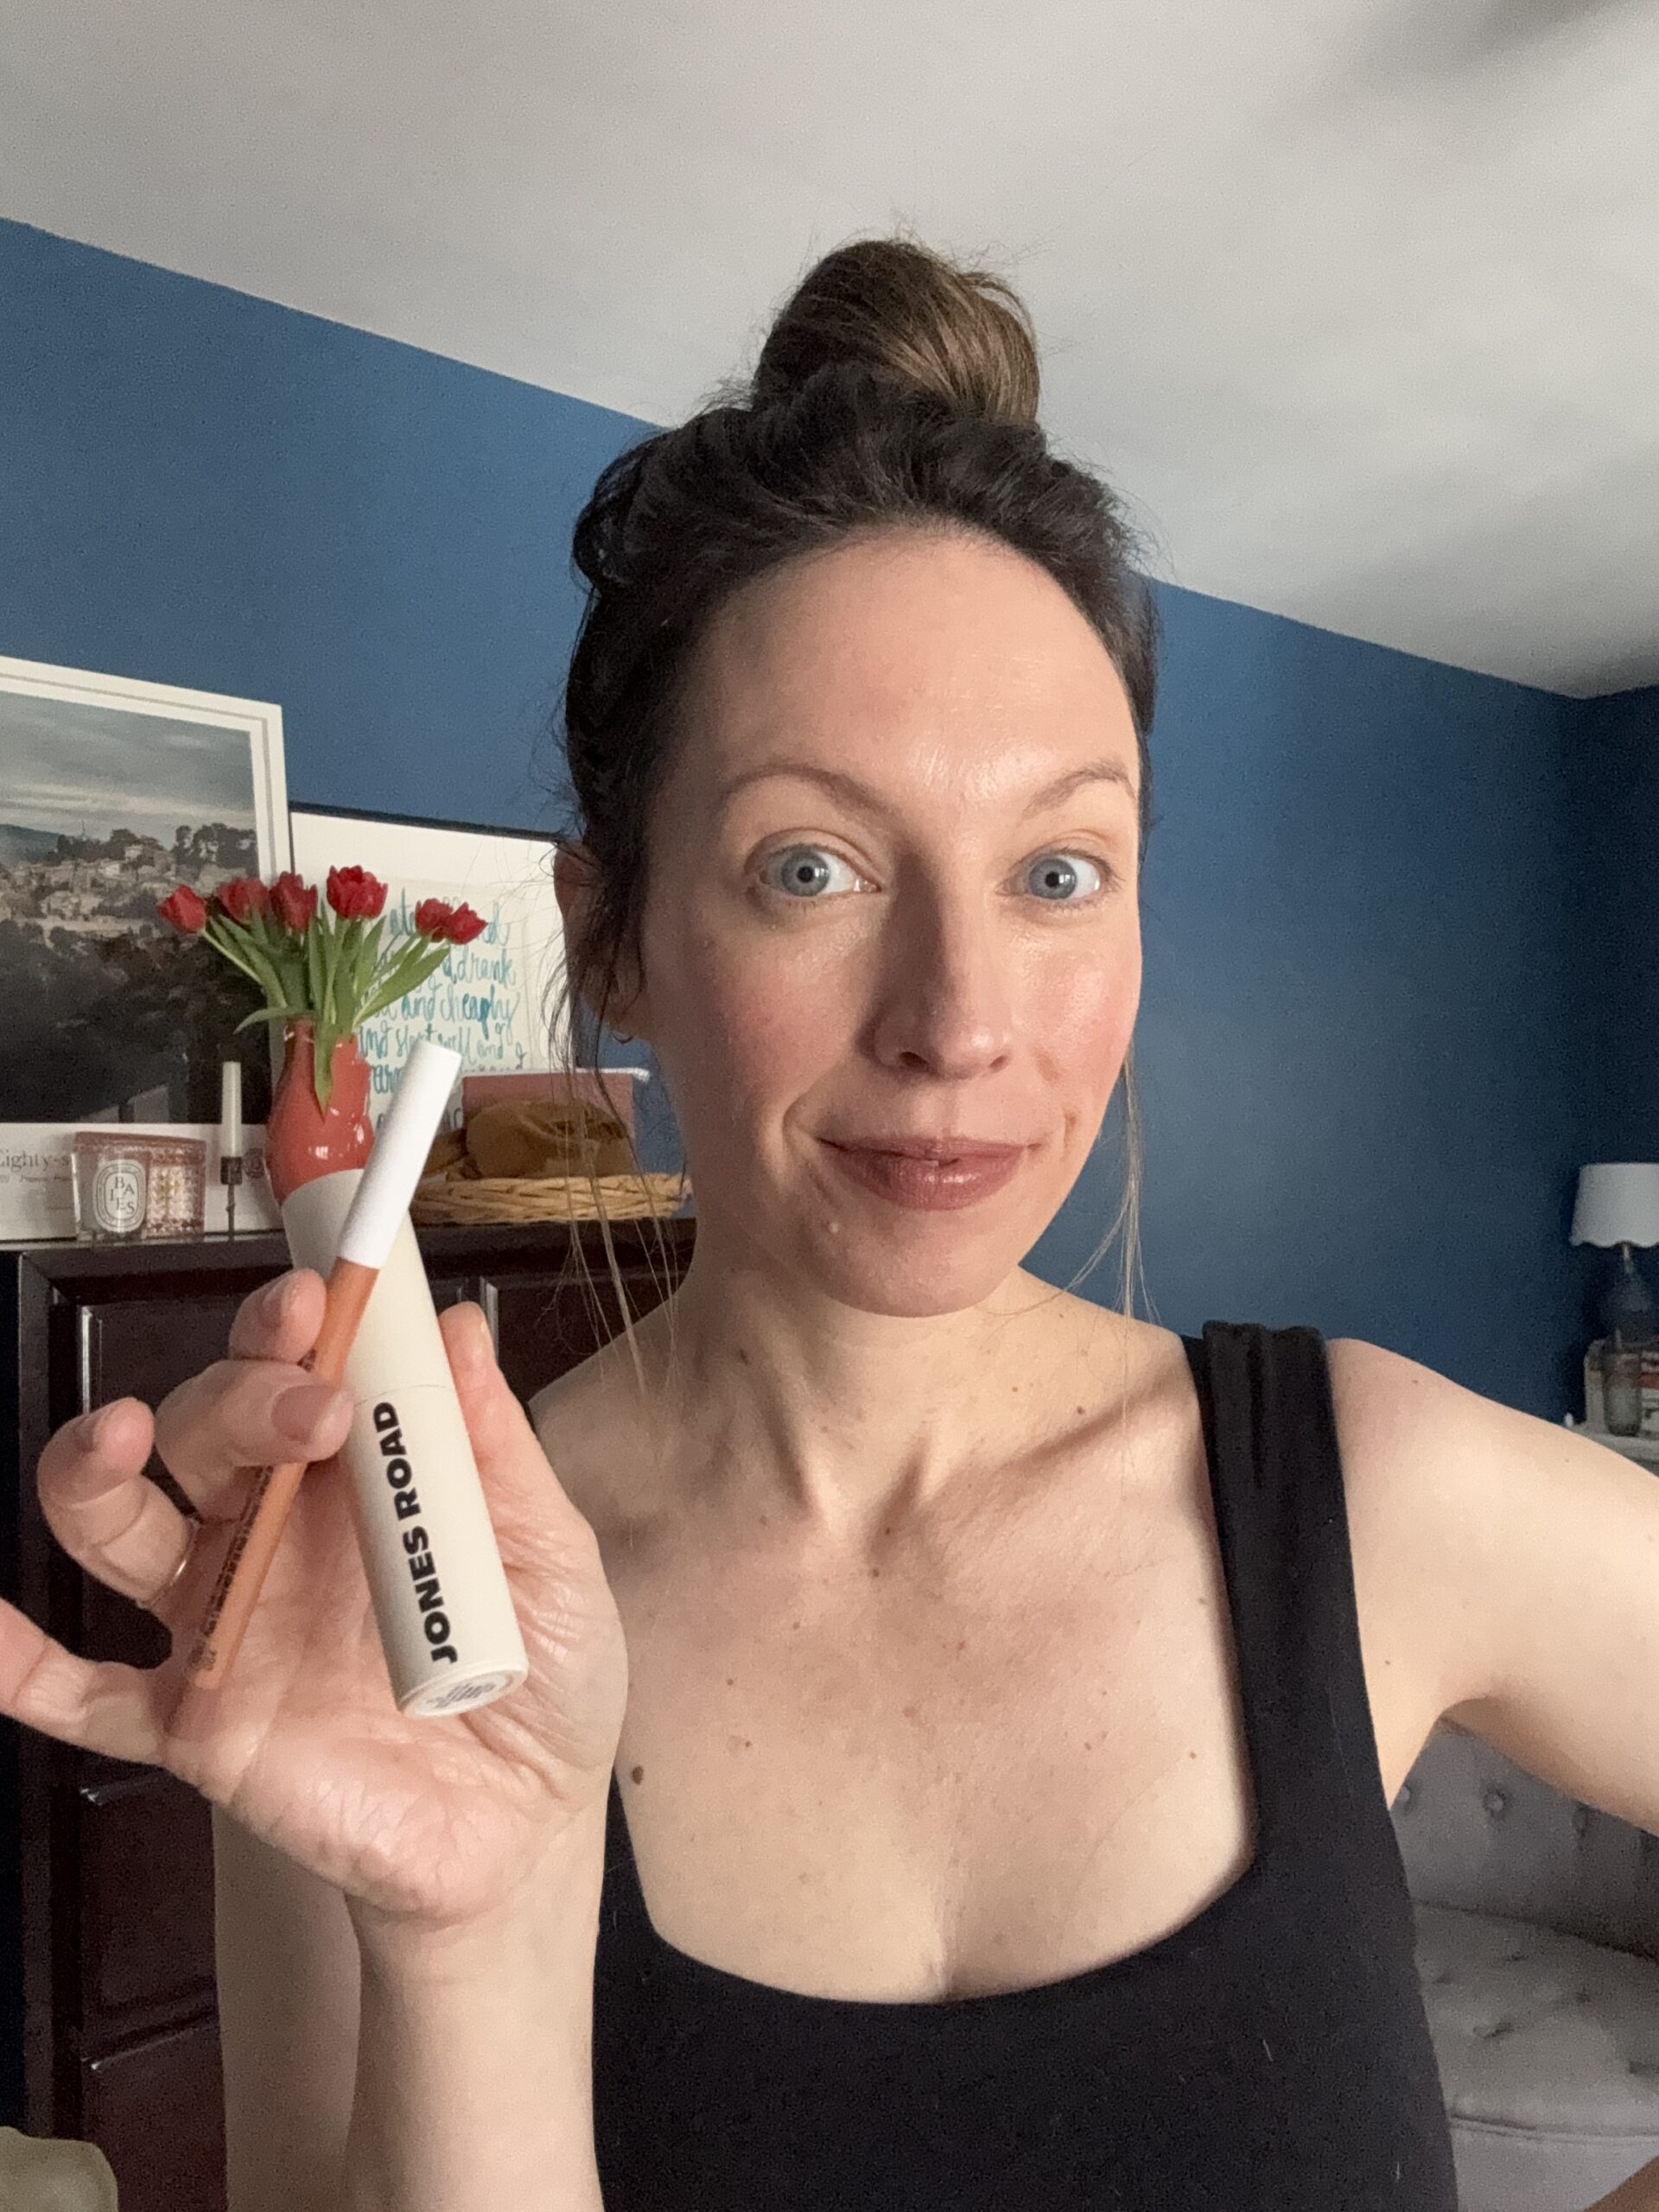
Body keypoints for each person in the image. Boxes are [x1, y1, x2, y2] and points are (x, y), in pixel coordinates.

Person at [10, 235, 1659, 2212]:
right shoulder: (395, 1600)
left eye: (1059, 867)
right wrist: (475, 1948)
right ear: (613, 928)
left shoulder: (1369, 1488)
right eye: (813, 862)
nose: (961, 1019)